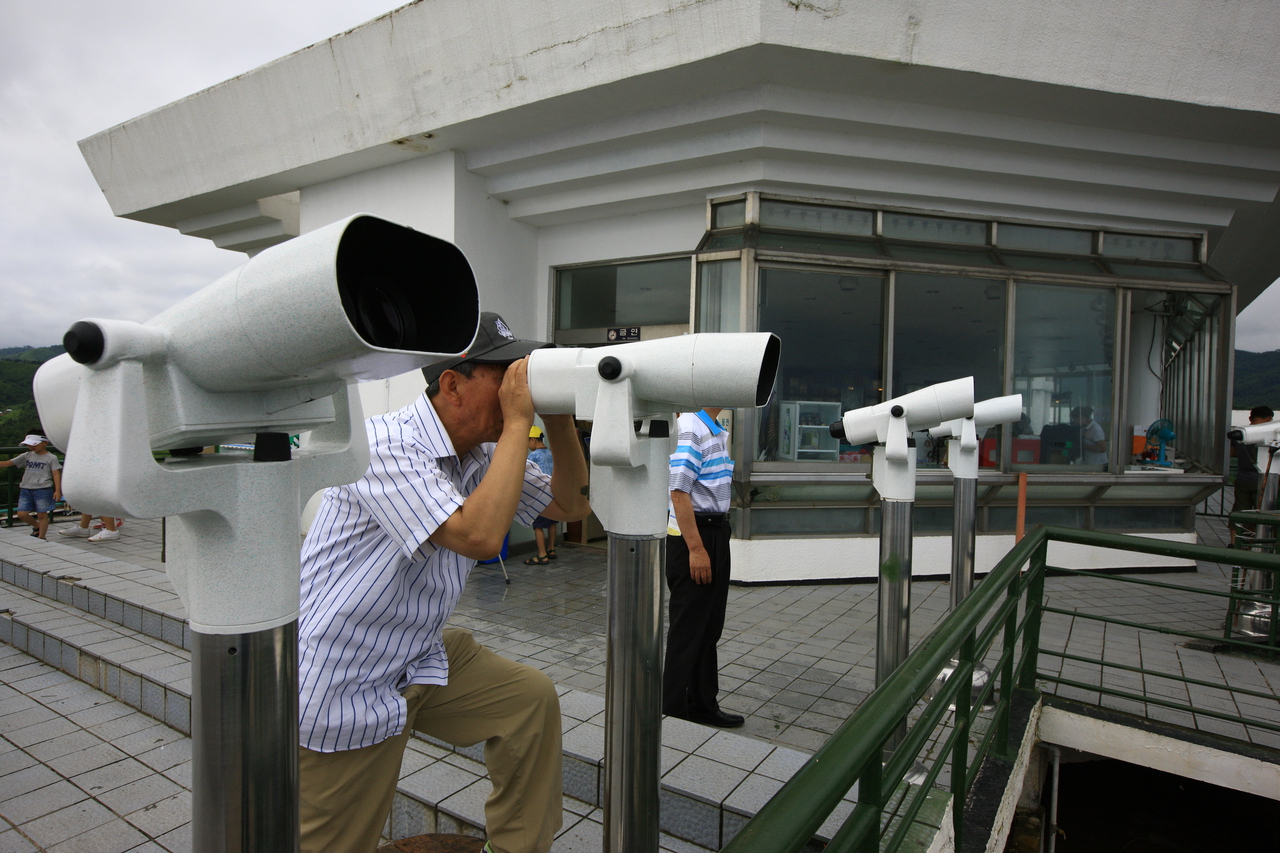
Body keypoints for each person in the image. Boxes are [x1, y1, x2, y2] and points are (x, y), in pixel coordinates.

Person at [296, 312, 590, 853]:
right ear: (452, 384)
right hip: (345, 680)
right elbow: (478, 536)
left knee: (529, 699)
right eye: (504, 374)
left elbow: (570, 506)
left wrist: (559, 418)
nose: (514, 388)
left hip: (415, 655)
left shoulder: (481, 455)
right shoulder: (383, 445)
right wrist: (519, 421)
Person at [662, 408, 743, 729]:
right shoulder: (690, 427)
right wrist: (696, 549)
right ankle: (673, 707)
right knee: (689, 626)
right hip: (696, 536)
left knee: (709, 625)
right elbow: (678, 492)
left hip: (714, 533)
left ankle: (701, 703)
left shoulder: (714, 429)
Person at [1, 433, 62, 540]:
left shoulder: (51, 458)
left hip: (43, 488)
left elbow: (56, 474)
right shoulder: (27, 455)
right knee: (22, 514)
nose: (31, 447)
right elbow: (7, 463)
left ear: (45, 443)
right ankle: (37, 526)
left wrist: (57, 490)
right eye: (29, 445)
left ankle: (41, 536)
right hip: (26, 488)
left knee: (42, 514)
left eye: (34, 444)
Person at [1230, 405, 1274, 546]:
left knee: (1239, 511)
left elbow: (1232, 453)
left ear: (1250, 417)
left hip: (1242, 478)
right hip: (1263, 480)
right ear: (1268, 419)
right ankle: (1253, 543)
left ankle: (1234, 542)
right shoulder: (1267, 434)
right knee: (1260, 513)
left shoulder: (1240, 433)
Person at [524, 426, 557, 565]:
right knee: (552, 522)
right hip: (554, 492)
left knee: (538, 525)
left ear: (533, 440)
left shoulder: (533, 456)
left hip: (540, 494)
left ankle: (542, 555)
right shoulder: (550, 453)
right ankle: (551, 549)